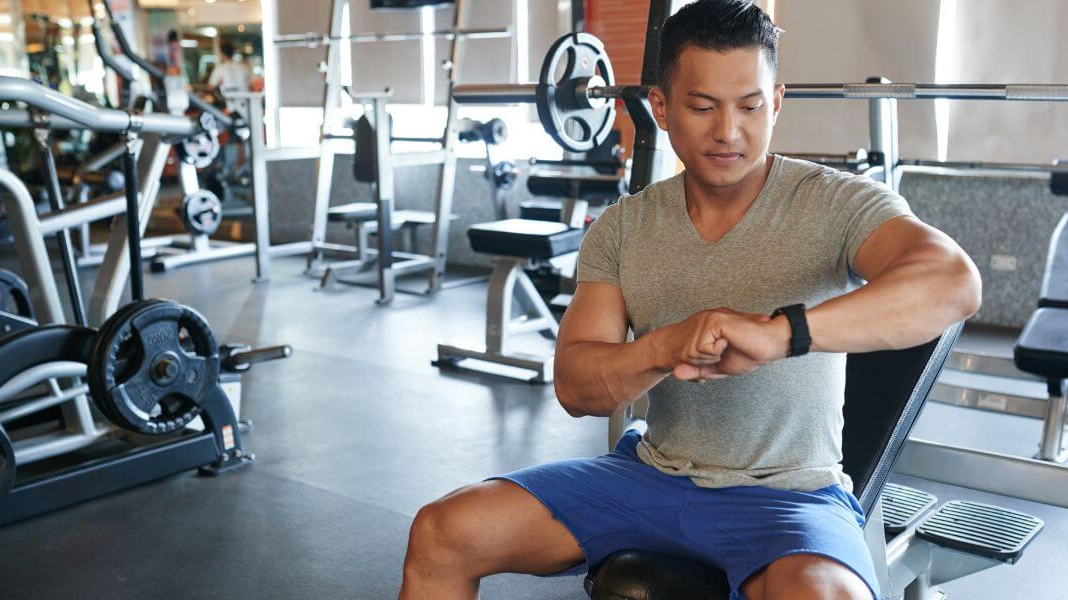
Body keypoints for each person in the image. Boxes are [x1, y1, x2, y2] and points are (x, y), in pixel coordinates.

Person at [399, 1, 982, 599]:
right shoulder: (623, 228)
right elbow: (576, 387)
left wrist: (782, 334)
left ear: (776, 102)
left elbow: (954, 281)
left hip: (788, 499)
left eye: (750, 106)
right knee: (441, 532)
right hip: (648, 477)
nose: (728, 131)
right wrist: (660, 348)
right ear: (661, 107)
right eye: (703, 107)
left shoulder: (835, 203)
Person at [207, 41, 250, 115]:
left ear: (222, 54)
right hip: (245, 106)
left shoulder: (220, 69)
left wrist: (219, 84)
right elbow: (252, 85)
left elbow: (210, 87)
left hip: (230, 108)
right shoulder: (243, 67)